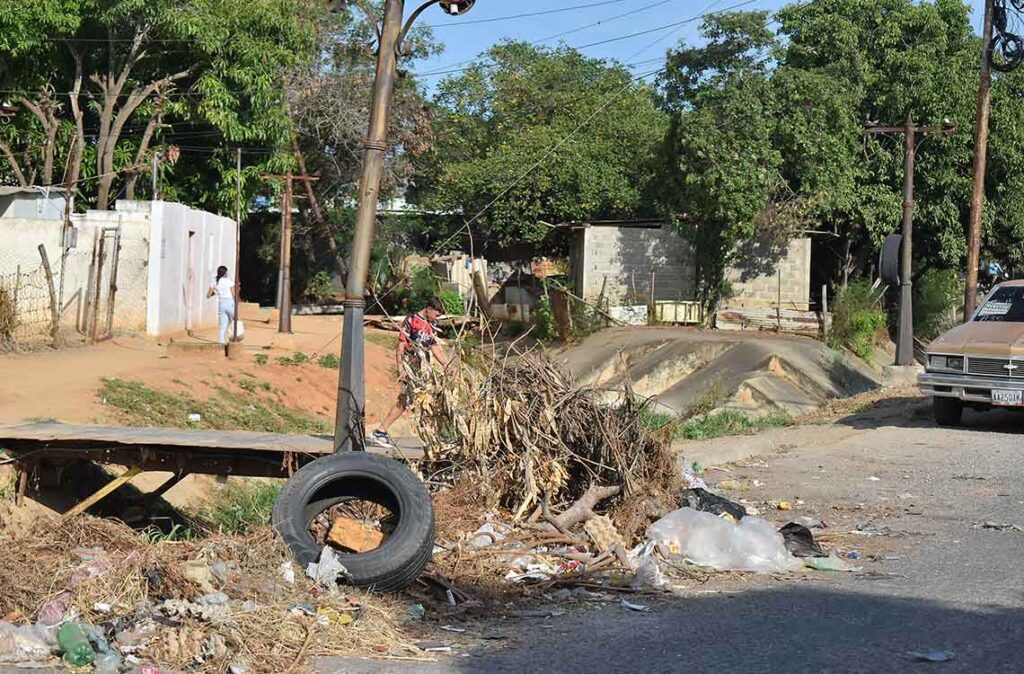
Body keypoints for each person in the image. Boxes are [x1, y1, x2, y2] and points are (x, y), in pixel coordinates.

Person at [370, 297, 450, 449]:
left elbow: (435, 347)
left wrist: (447, 365)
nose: (437, 317)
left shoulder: (430, 325)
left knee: (426, 400)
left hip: (422, 370)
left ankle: (435, 435)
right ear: (428, 308)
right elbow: (401, 346)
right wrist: (401, 368)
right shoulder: (411, 320)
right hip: (410, 368)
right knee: (406, 400)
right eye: (436, 314)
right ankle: (380, 431)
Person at [207, 265, 235, 344]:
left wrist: (216, 292)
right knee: (233, 322)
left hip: (221, 303)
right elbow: (234, 294)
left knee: (222, 325)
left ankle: (221, 343)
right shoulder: (229, 281)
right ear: (225, 273)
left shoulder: (215, 282)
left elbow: (208, 295)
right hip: (230, 303)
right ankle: (232, 340)